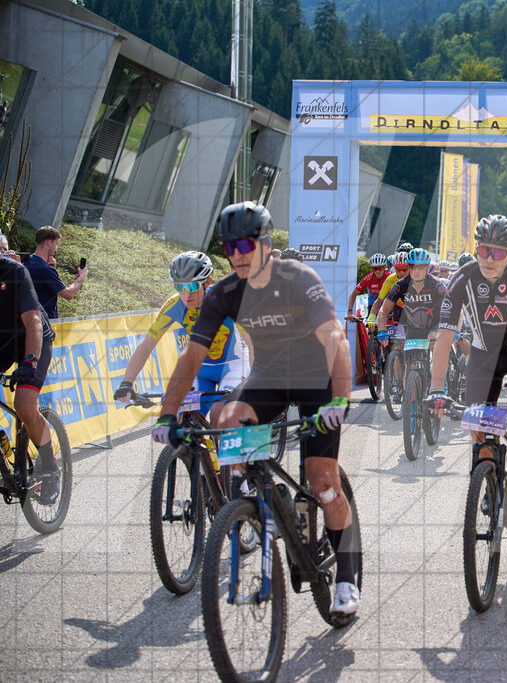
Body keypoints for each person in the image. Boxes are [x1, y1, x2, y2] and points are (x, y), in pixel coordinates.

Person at [150, 201, 359, 616]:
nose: (237, 254)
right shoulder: (224, 293)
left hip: (317, 378)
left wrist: (339, 398)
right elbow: (192, 355)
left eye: (245, 244)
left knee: (322, 481)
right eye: (229, 247)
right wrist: (167, 413)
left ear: (264, 243)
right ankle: (256, 492)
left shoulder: (298, 278)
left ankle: (348, 580)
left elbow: (335, 336)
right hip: (268, 378)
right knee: (225, 416)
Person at [426, 215, 507, 531]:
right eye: (483, 250)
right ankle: (487, 472)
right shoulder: (462, 278)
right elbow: (444, 335)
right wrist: (437, 387)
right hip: (484, 355)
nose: (488, 258)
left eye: (497, 252)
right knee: (477, 421)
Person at [114, 252, 251, 422]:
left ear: (207, 283)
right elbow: (146, 344)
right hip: (200, 369)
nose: (186, 295)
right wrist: (127, 383)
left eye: (192, 287)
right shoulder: (174, 305)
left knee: (219, 417)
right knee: (184, 420)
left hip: (234, 365)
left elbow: (252, 341)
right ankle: (200, 448)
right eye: (180, 287)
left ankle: (243, 445)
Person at [0, 257, 60, 503]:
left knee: (24, 404)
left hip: (33, 340)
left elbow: (34, 321)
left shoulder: (14, 271)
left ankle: (49, 468)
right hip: (3, 344)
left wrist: (30, 362)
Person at [376, 248, 446, 342]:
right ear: (408, 267)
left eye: (420, 267)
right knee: (407, 354)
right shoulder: (400, 285)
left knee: (432, 339)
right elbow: (384, 310)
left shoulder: (437, 285)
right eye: (412, 266)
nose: (416, 270)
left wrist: (454, 328)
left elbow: (452, 306)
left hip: (436, 324)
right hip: (414, 327)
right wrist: (381, 330)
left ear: (427, 267)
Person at [24, 226, 87, 319]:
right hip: (45, 322)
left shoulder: (27, 260)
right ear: (49, 243)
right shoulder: (45, 269)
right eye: (56, 243)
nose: (56, 248)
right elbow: (68, 294)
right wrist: (81, 277)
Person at [345, 253, 389, 320]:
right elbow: (353, 294)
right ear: (372, 269)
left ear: (385, 266)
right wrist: (350, 312)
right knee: (371, 325)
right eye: (374, 269)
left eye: (379, 268)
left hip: (386, 302)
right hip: (373, 303)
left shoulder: (390, 277)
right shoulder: (368, 279)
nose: (377, 271)